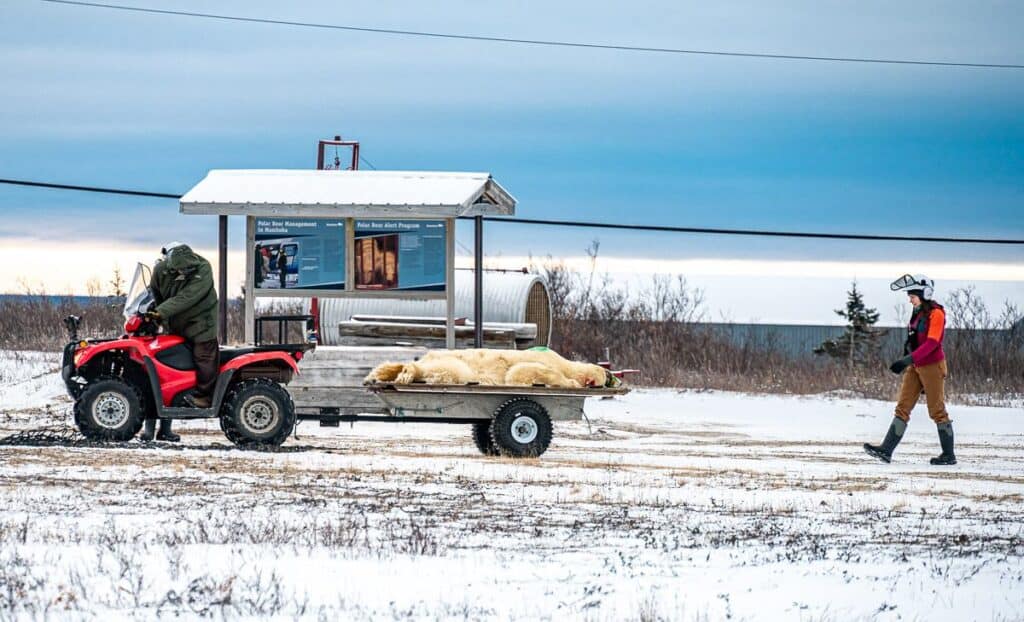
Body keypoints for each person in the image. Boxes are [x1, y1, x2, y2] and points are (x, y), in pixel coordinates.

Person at [864, 274, 956, 465]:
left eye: (912, 295)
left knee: (937, 410)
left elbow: (932, 343)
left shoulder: (936, 314)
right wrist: (908, 357)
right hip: (916, 366)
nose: (910, 299)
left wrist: (907, 359)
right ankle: (886, 450)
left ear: (924, 294)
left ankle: (948, 455)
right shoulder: (918, 313)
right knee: (903, 407)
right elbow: (915, 338)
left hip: (932, 366)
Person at [141, 242, 220, 441]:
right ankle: (153, 427)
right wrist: (151, 315)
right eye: (179, 268)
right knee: (162, 370)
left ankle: (204, 397)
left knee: (204, 357)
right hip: (174, 324)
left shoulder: (203, 268)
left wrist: (160, 312)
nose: (183, 271)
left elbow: (187, 297)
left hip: (201, 322)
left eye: (186, 268)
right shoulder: (160, 270)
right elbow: (155, 293)